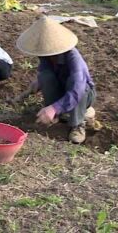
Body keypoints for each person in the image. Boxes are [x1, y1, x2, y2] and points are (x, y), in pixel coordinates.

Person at [16, 16, 99, 144]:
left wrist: (54, 108)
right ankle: (57, 115)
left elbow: (77, 90)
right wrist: (37, 84)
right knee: (45, 77)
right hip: (63, 89)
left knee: (76, 85)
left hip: (82, 94)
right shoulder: (45, 57)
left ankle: (77, 124)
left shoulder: (74, 59)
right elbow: (45, 73)